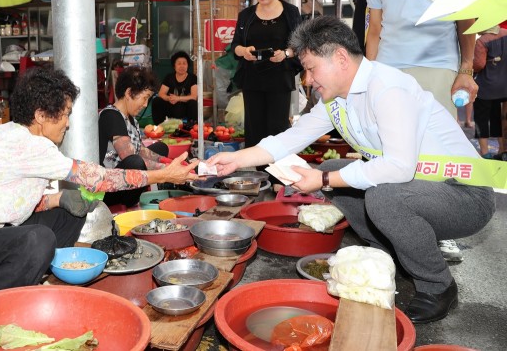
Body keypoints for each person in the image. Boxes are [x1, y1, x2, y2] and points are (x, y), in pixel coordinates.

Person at [208, 16, 496, 324]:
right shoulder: (337, 100)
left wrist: (323, 179)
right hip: (417, 188)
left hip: (465, 195)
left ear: (341, 58)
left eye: (310, 68)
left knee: (380, 196)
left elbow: (398, 167)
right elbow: (289, 139)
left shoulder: (387, 87)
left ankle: (437, 285)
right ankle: (386, 252)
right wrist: (236, 160)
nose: (307, 80)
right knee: (337, 169)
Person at [0, 66, 198, 303]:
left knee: (67, 214)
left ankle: (33, 273)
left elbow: (4, 199)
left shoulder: (14, 135)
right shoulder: (26, 144)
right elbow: (99, 177)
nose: (68, 123)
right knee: (38, 240)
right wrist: (162, 176)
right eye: (66, 113)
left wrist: (57, 201)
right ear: (41, 116)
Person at [365, 0, 478, 262]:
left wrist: (466, 68)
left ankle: (442, 231)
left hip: (438, 64)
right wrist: (368, 77)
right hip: (389, 67)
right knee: (387, 147)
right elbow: (374, 28)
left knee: (437, 152)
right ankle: (388, 228)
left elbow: (466, 15)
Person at [230, 0, 303, 150]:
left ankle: (277, 176)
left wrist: (286, 53)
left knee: (277, 129)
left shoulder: (291, 12)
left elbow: (300, 45)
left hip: (279, 80)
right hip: (252, 80)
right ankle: (260, 177)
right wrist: (244, 52)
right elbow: (235, 47)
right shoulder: (246, 15)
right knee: (254, 130)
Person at [100, 66, 174, 207]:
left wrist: (169, 162)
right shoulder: (111, 116)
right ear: (129, 93)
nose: (145, 104)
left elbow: (140, 150)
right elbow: (129, 156)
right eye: (145, 98)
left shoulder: (131, 118)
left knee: (161, 148)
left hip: (127, 179)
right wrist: (167, 171)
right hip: (110, 188)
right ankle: (130, 202)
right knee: (135, 163)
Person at [472, 25, 507, 159]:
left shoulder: (482, 41)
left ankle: (485, 152)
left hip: (486, 87)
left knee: (481, 119)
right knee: (500, 118)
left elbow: (479, 64)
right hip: (504, 86)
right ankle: (502, 150)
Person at [151, 51, 198, 124]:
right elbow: (161, 94)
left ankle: (191, 127)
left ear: (188, 65)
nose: (182, 66)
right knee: (157, 101)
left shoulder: (193, 78)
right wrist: (169, 98)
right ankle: (159, 126)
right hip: (171, 106)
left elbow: (194, 96)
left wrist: (178, 98)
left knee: (193, 103)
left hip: (185, 108)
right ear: (174, 66)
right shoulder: (169, 77)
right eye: (179, 63)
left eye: (184, 63)